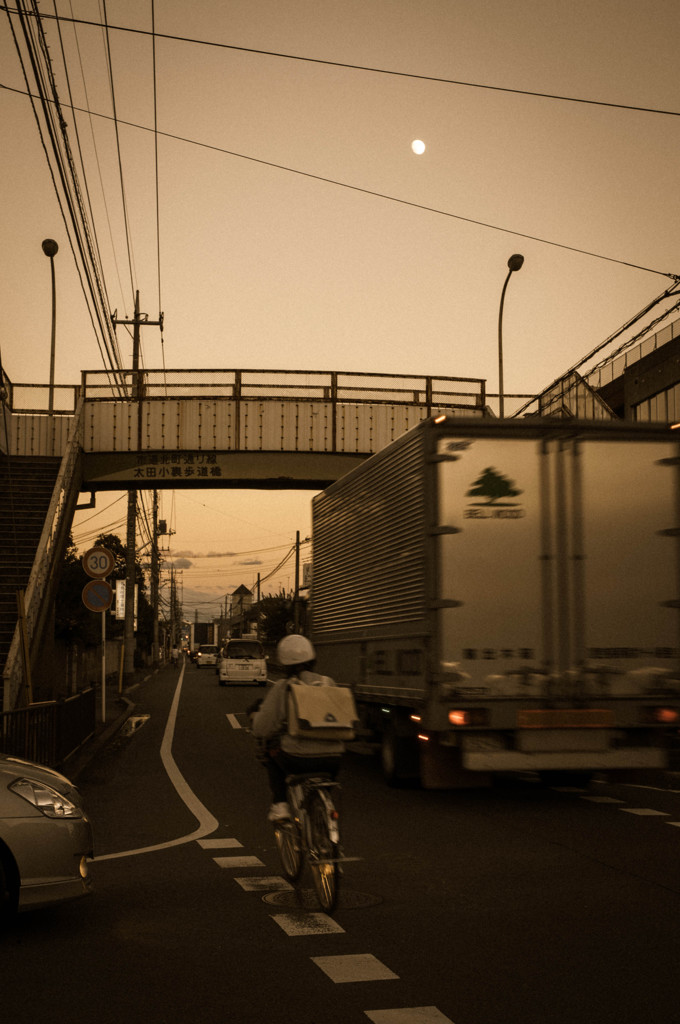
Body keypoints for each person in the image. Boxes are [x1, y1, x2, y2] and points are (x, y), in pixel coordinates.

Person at [250, 634, 345, 822]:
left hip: (297, 758)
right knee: (324, 782)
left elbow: (262, 727)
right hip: (334, 758)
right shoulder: (329, 683)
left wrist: (254, 719)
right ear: (312, 659)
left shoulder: (284, 687)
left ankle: (280, 804)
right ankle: (322, 810)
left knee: (271, 751)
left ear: (285, 664)